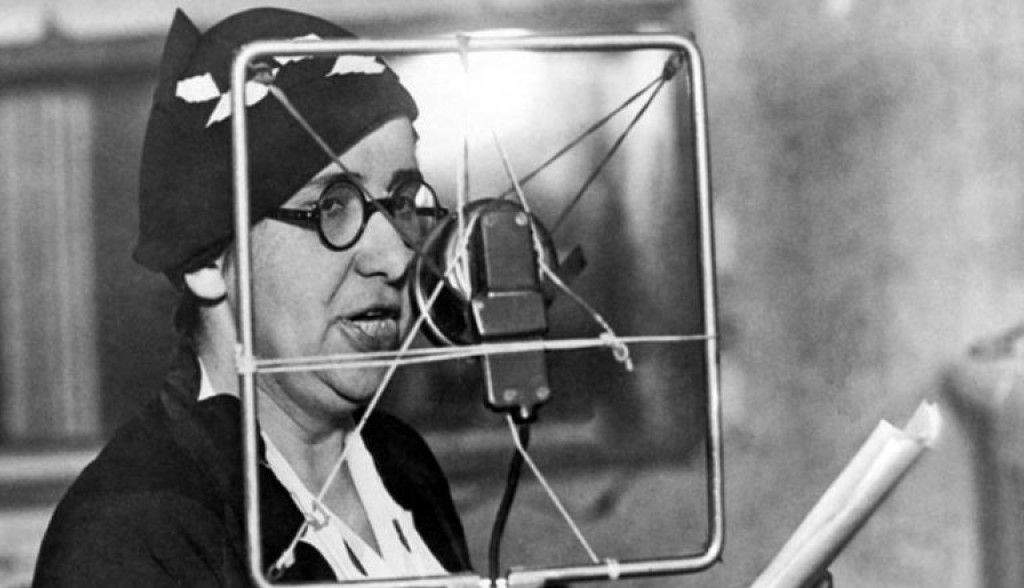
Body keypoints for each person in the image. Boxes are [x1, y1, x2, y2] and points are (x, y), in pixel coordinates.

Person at [33, 7, 471, 586]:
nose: (395, 258)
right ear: (206, 260)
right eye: (333, 205)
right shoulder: (131, 533)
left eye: (404, 201)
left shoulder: (401, 463)